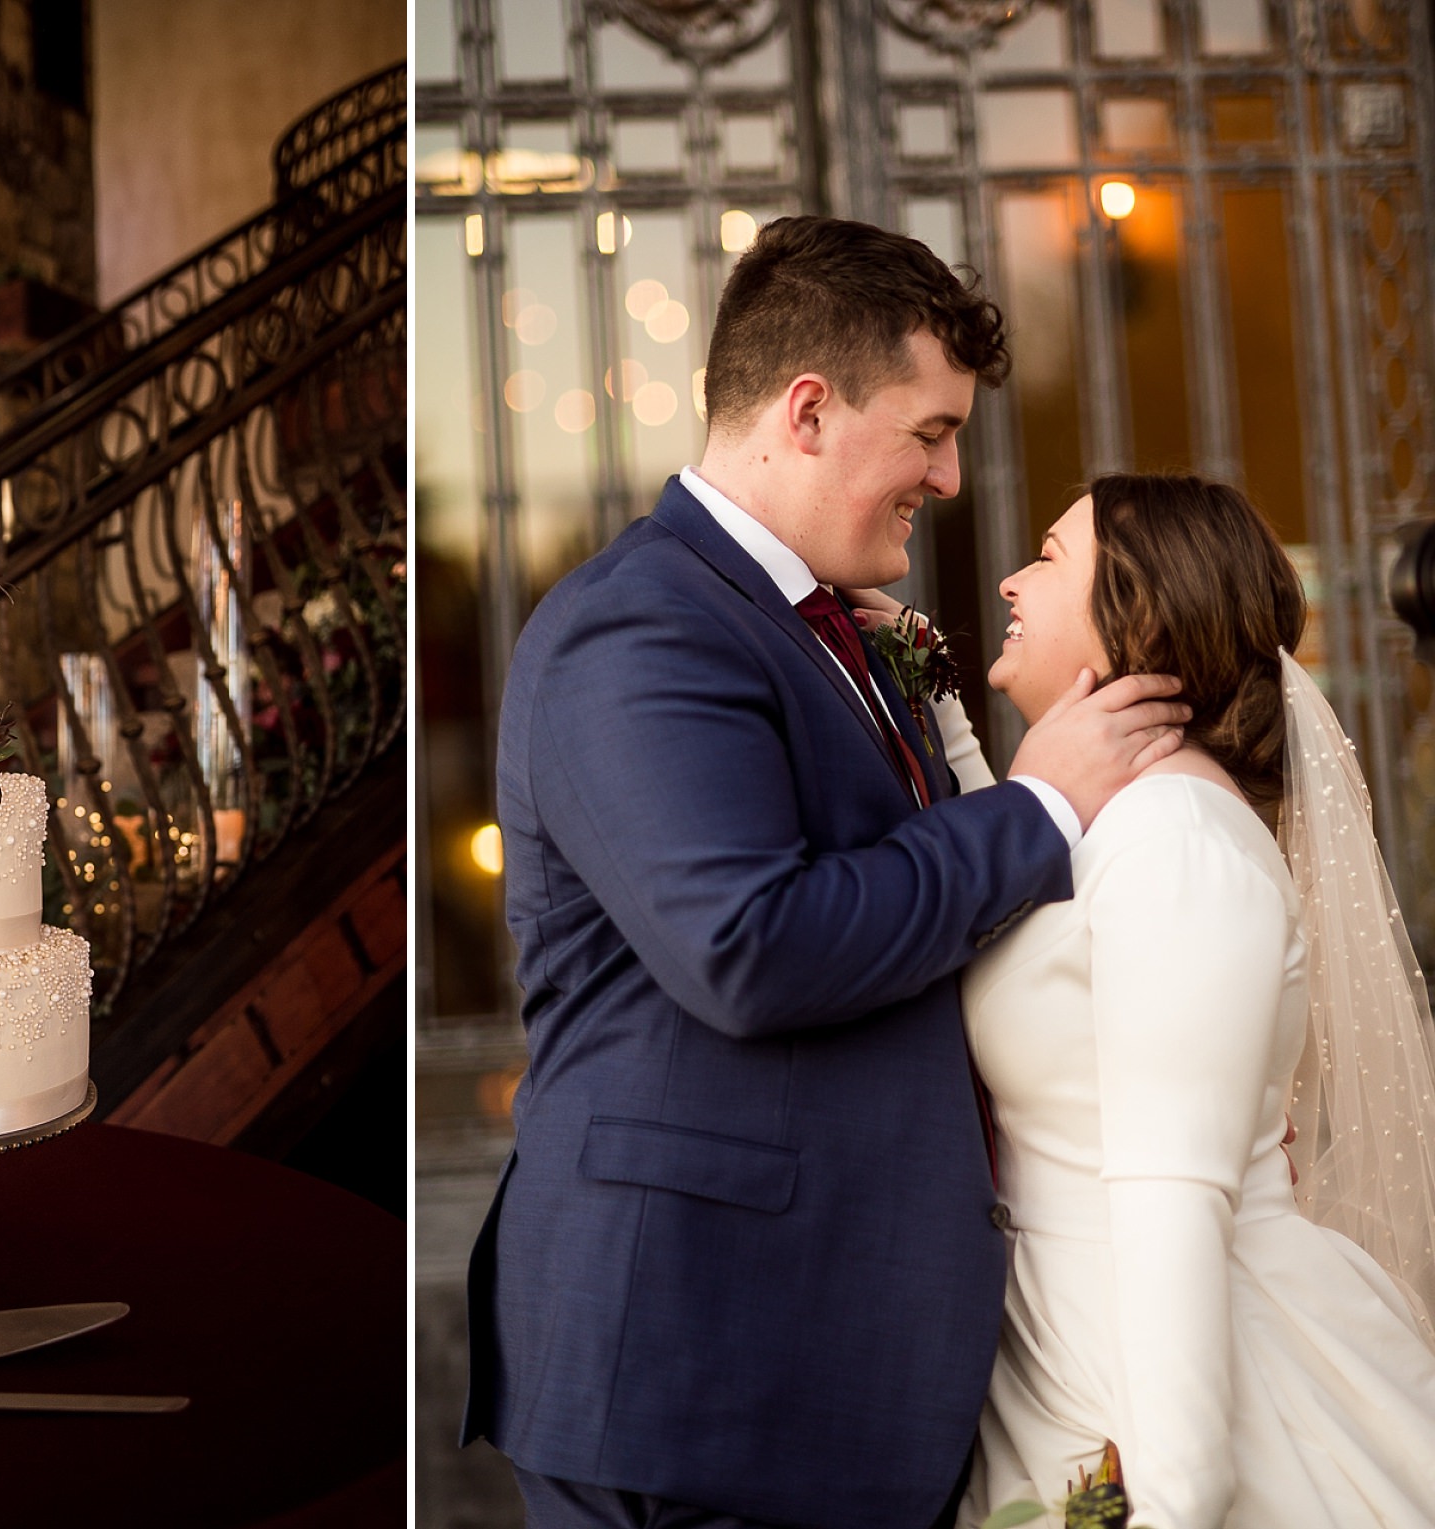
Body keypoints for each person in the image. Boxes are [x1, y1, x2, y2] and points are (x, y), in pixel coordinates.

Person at [462, 214, 1192, 1529]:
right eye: (929, 433)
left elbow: (925, 934)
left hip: (817, 1376)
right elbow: (755, 945)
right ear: (808, 412)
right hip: (702, 1376)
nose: (953, 478)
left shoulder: (832, 632)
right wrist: (1037, 809)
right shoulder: (642, 628)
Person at [956, 473, 1435, 1529]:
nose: (1008, 577)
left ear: (1134, 614)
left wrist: (1171, 1497)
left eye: (1045, 554)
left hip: (1179, 1401)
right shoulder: (1101, 828)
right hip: (1070, 1375)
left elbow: (1170, 1195)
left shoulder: (1174, 842)